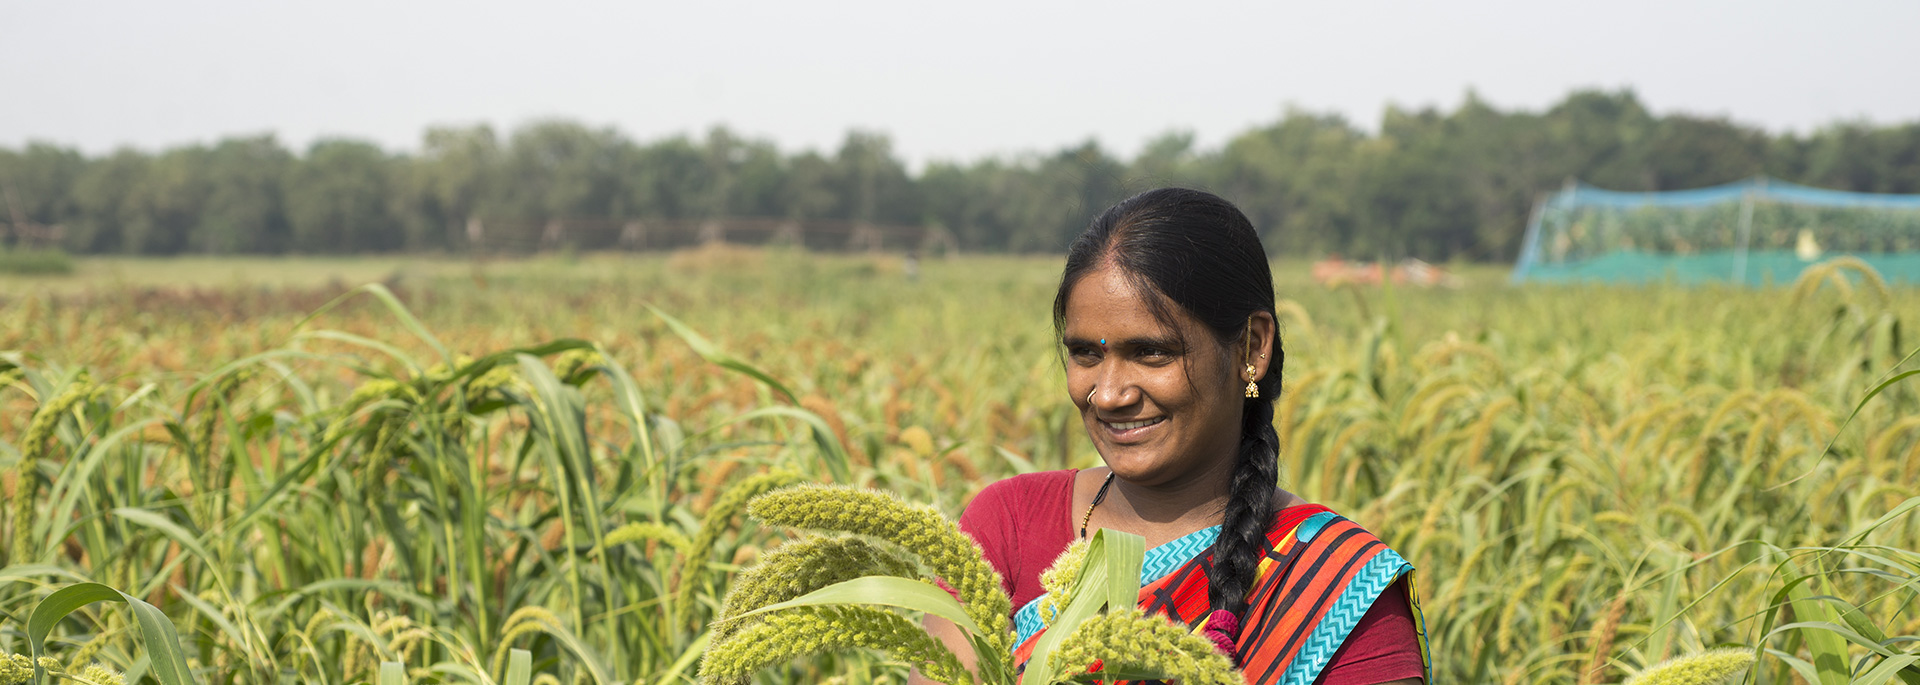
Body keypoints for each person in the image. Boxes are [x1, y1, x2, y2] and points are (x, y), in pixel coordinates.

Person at [917, 188, 1428, 685]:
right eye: (1086, 354)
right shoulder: (1008, 526)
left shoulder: (1337, 588)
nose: (1110, 393)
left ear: (1251, 346)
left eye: (1152, 353)